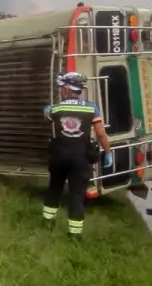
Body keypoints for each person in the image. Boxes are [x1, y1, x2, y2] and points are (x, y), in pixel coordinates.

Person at [42, 72, 112, 237]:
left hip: (59, 155)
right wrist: (108, 152)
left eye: (62, 88)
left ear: (66, 88)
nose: (61, 91)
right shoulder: (91, 108)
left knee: (54, 189)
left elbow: (46, 116)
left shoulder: (57, 108)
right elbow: (101, 134)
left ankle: (47, 223)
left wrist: (46, 110)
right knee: (77, 193)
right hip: (80, 157)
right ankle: (74, 234)